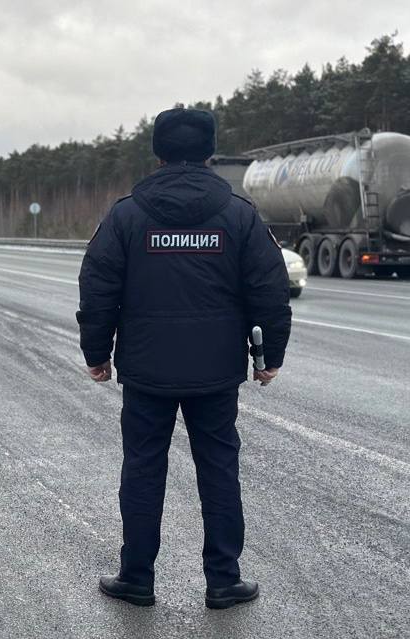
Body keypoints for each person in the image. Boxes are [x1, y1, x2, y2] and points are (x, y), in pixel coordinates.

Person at [76, 108, 291, 609]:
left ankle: (136, 577)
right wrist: (269, 356)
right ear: (210, 152)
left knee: (142, 468)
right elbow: (269, 289)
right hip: (215, 371)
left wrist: (97, 353)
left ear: (158, 152)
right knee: (219, 469)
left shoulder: (127, 214)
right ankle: (224, 580)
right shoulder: (239, 214)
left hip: (147, 370)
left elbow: (98, 286)